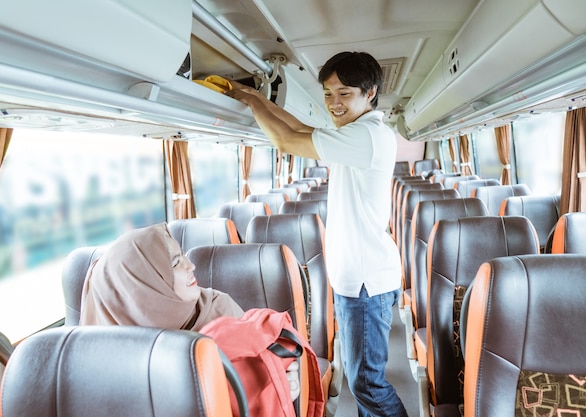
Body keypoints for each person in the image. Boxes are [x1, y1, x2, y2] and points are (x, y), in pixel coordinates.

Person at [225, 51, 408, 417]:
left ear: (369, 92)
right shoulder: (356, 132)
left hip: (365, 282)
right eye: (327, 94)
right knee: (364, 381)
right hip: (359, 277)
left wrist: (248, 99)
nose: (333, 103)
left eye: (344, 93)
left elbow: (286, 142)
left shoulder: (367, 136)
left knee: (367, 384)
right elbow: (300, 130)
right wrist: (261, 100)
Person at [79, 223, 300, 401]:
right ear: (142, 288)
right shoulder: (100, 363)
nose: (191, 265)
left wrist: (282, 389)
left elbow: (260, 390)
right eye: (176, 263)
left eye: (183, 255)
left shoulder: (218, 309)